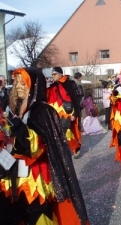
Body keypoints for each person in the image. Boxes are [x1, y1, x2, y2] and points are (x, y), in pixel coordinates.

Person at [0, 67, 89, 225]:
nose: (18, 85)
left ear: (33, 85)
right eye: (16, 82)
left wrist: (19, 128)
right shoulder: (13, 108)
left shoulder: (43, 111)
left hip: (35, 175)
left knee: (36, 213)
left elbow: (38, 145)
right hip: (12, 170)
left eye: (23, 82)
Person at [47, 67, 82, 159]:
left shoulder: (69, 83)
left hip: (67, 112)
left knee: (66, 131)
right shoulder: (52, 85)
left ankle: (75, 148)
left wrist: (75, 114)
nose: (53, 76)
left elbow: (75, 99)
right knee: (57, 132)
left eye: (54, 74)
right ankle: (62, 151)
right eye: (52, 75)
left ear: (60, 74)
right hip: (56, 113)